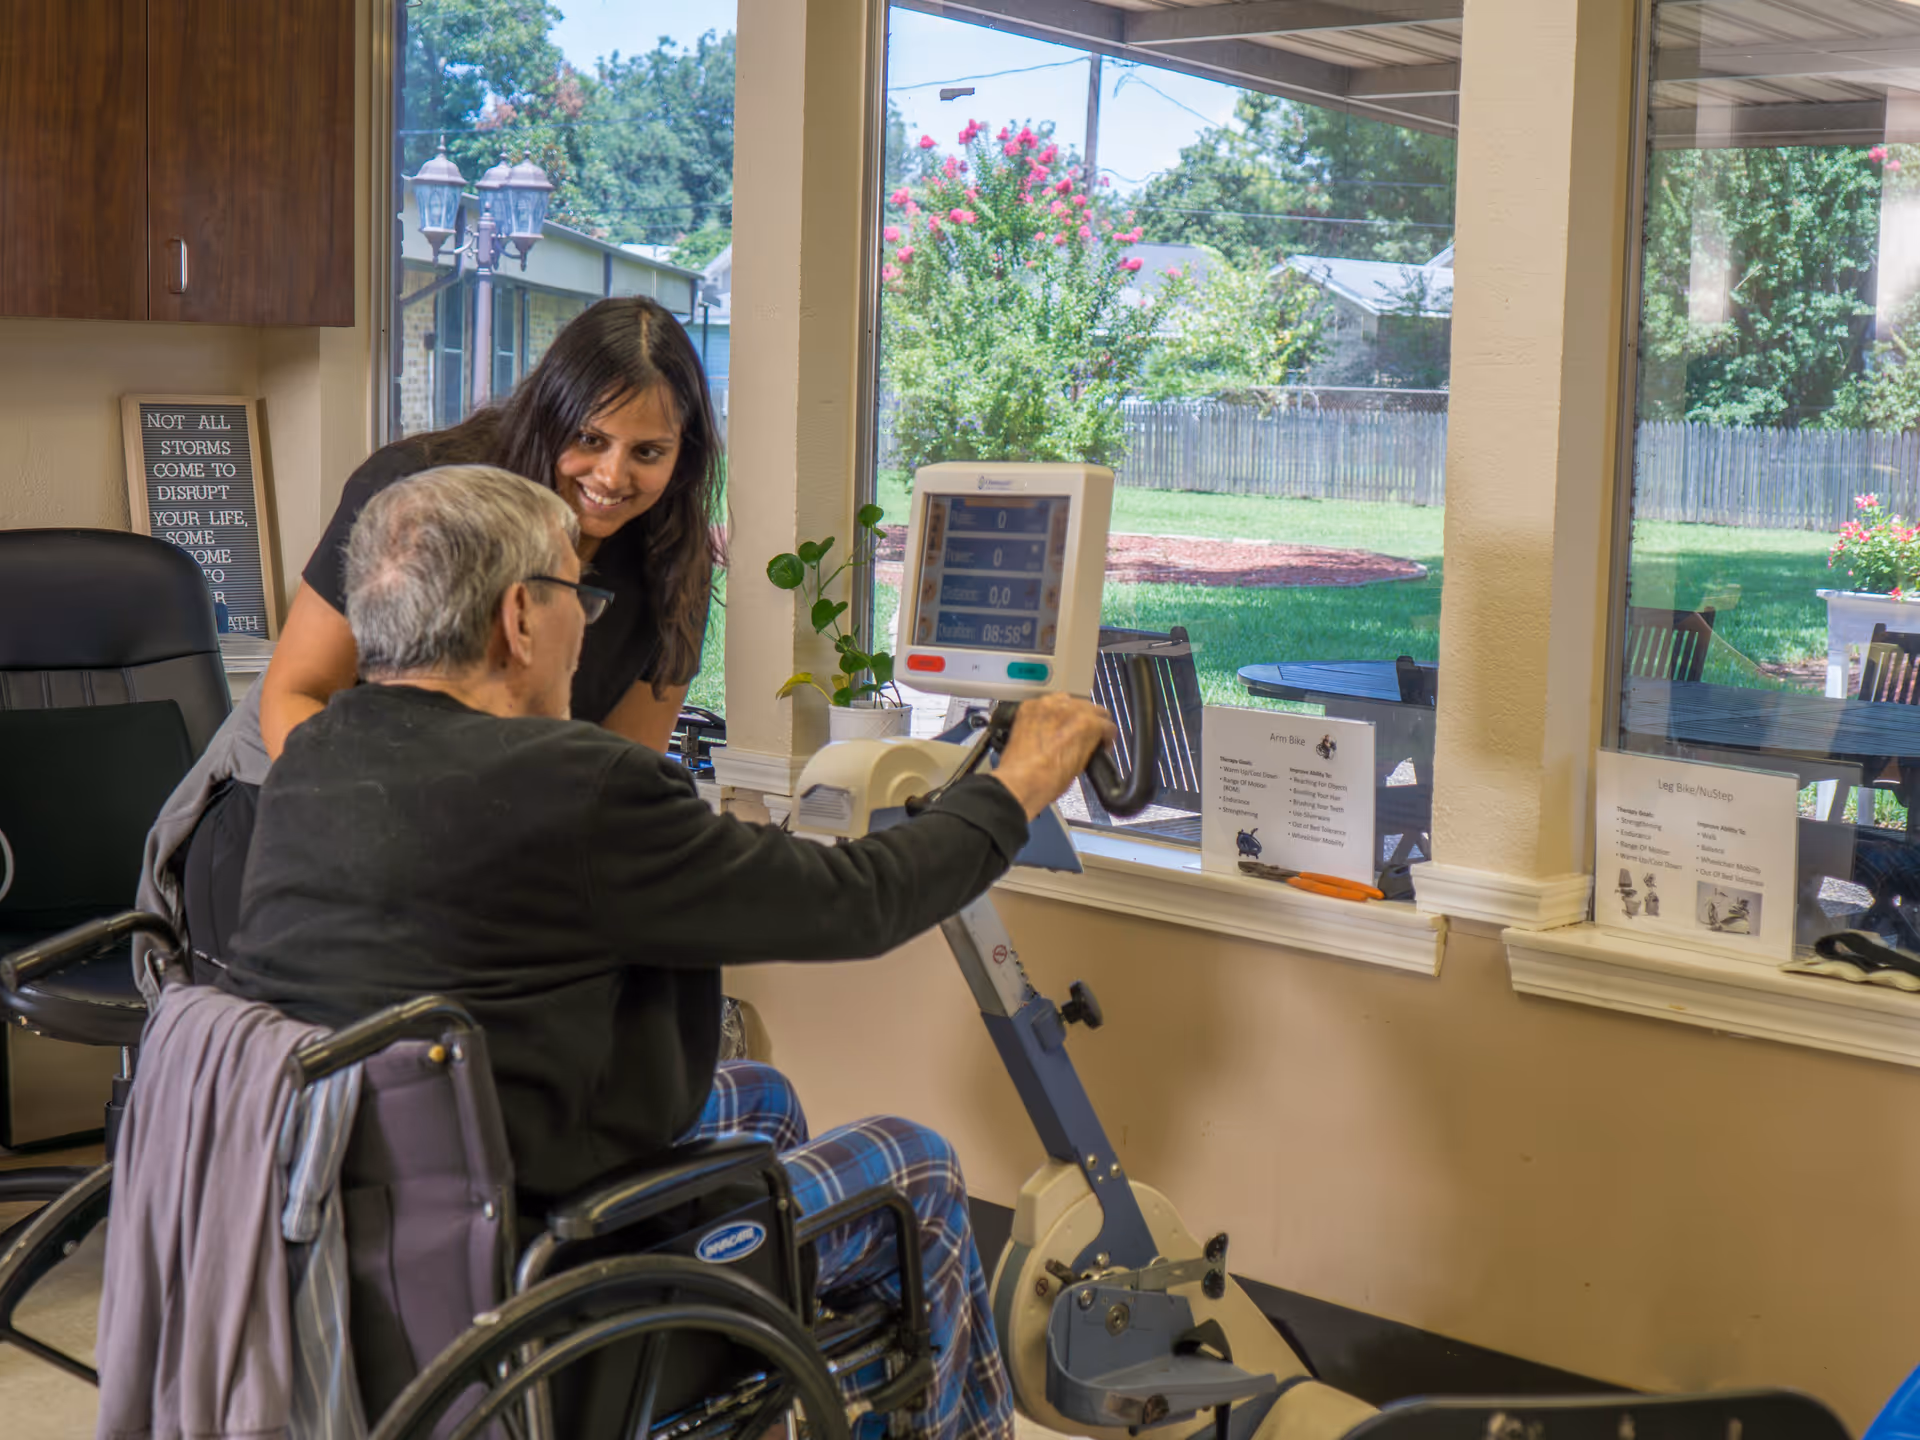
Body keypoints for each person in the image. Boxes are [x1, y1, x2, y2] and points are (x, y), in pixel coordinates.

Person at [220, 464, 1118, 1440]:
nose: (589, 624)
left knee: (759, 1098)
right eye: (580, 596)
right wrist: (1015, 787)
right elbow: (858, 903)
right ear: (521, 618)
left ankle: (767, 1379)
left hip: (358, 1227)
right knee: (921, 1168)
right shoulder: (580, 785)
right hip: (538, 1276)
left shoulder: (314, 751)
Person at [141, 294, 722, 979]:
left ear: (682, 457)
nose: (612, 476)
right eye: (590, 438)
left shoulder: (672, 562)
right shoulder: (416, 491)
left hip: (469, 853)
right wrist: (403, 832)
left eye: (647, 452)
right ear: (549, 414)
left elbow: (614, 773)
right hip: (297, 809)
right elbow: (296, 692)